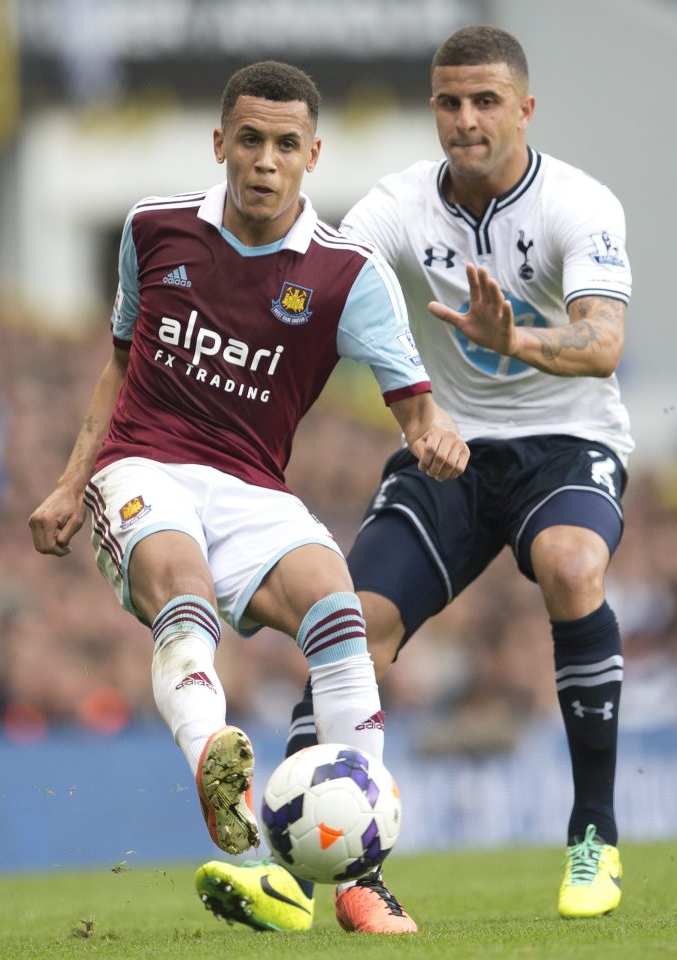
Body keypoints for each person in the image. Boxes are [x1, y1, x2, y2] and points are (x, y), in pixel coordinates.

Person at [206, 24, 633, 931]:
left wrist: (512, 338)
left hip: (565, 441)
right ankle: (298, 874)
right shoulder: (396, 205)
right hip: (450, 447)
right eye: (449, 102)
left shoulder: (578, 203)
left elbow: (601, 344)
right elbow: (319, 286)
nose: (465, 120)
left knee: (568, 565)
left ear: (524, 108)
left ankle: (593, 833)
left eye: (485, 102)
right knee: (351, 629)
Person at [28, 60, 468, 934]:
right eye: (252, 141)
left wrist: (435, 438)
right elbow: (121, 361)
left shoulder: (347, 275)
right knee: (181, 584)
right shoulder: (152, 230)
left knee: (338, 610)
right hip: (141, 466)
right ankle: (211, 759)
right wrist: (73, 482)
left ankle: (357, 877)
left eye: (286, 145)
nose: (265, 161)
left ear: (312, 154)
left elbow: (417, 411)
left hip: (252, 489)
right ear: (220, 142)